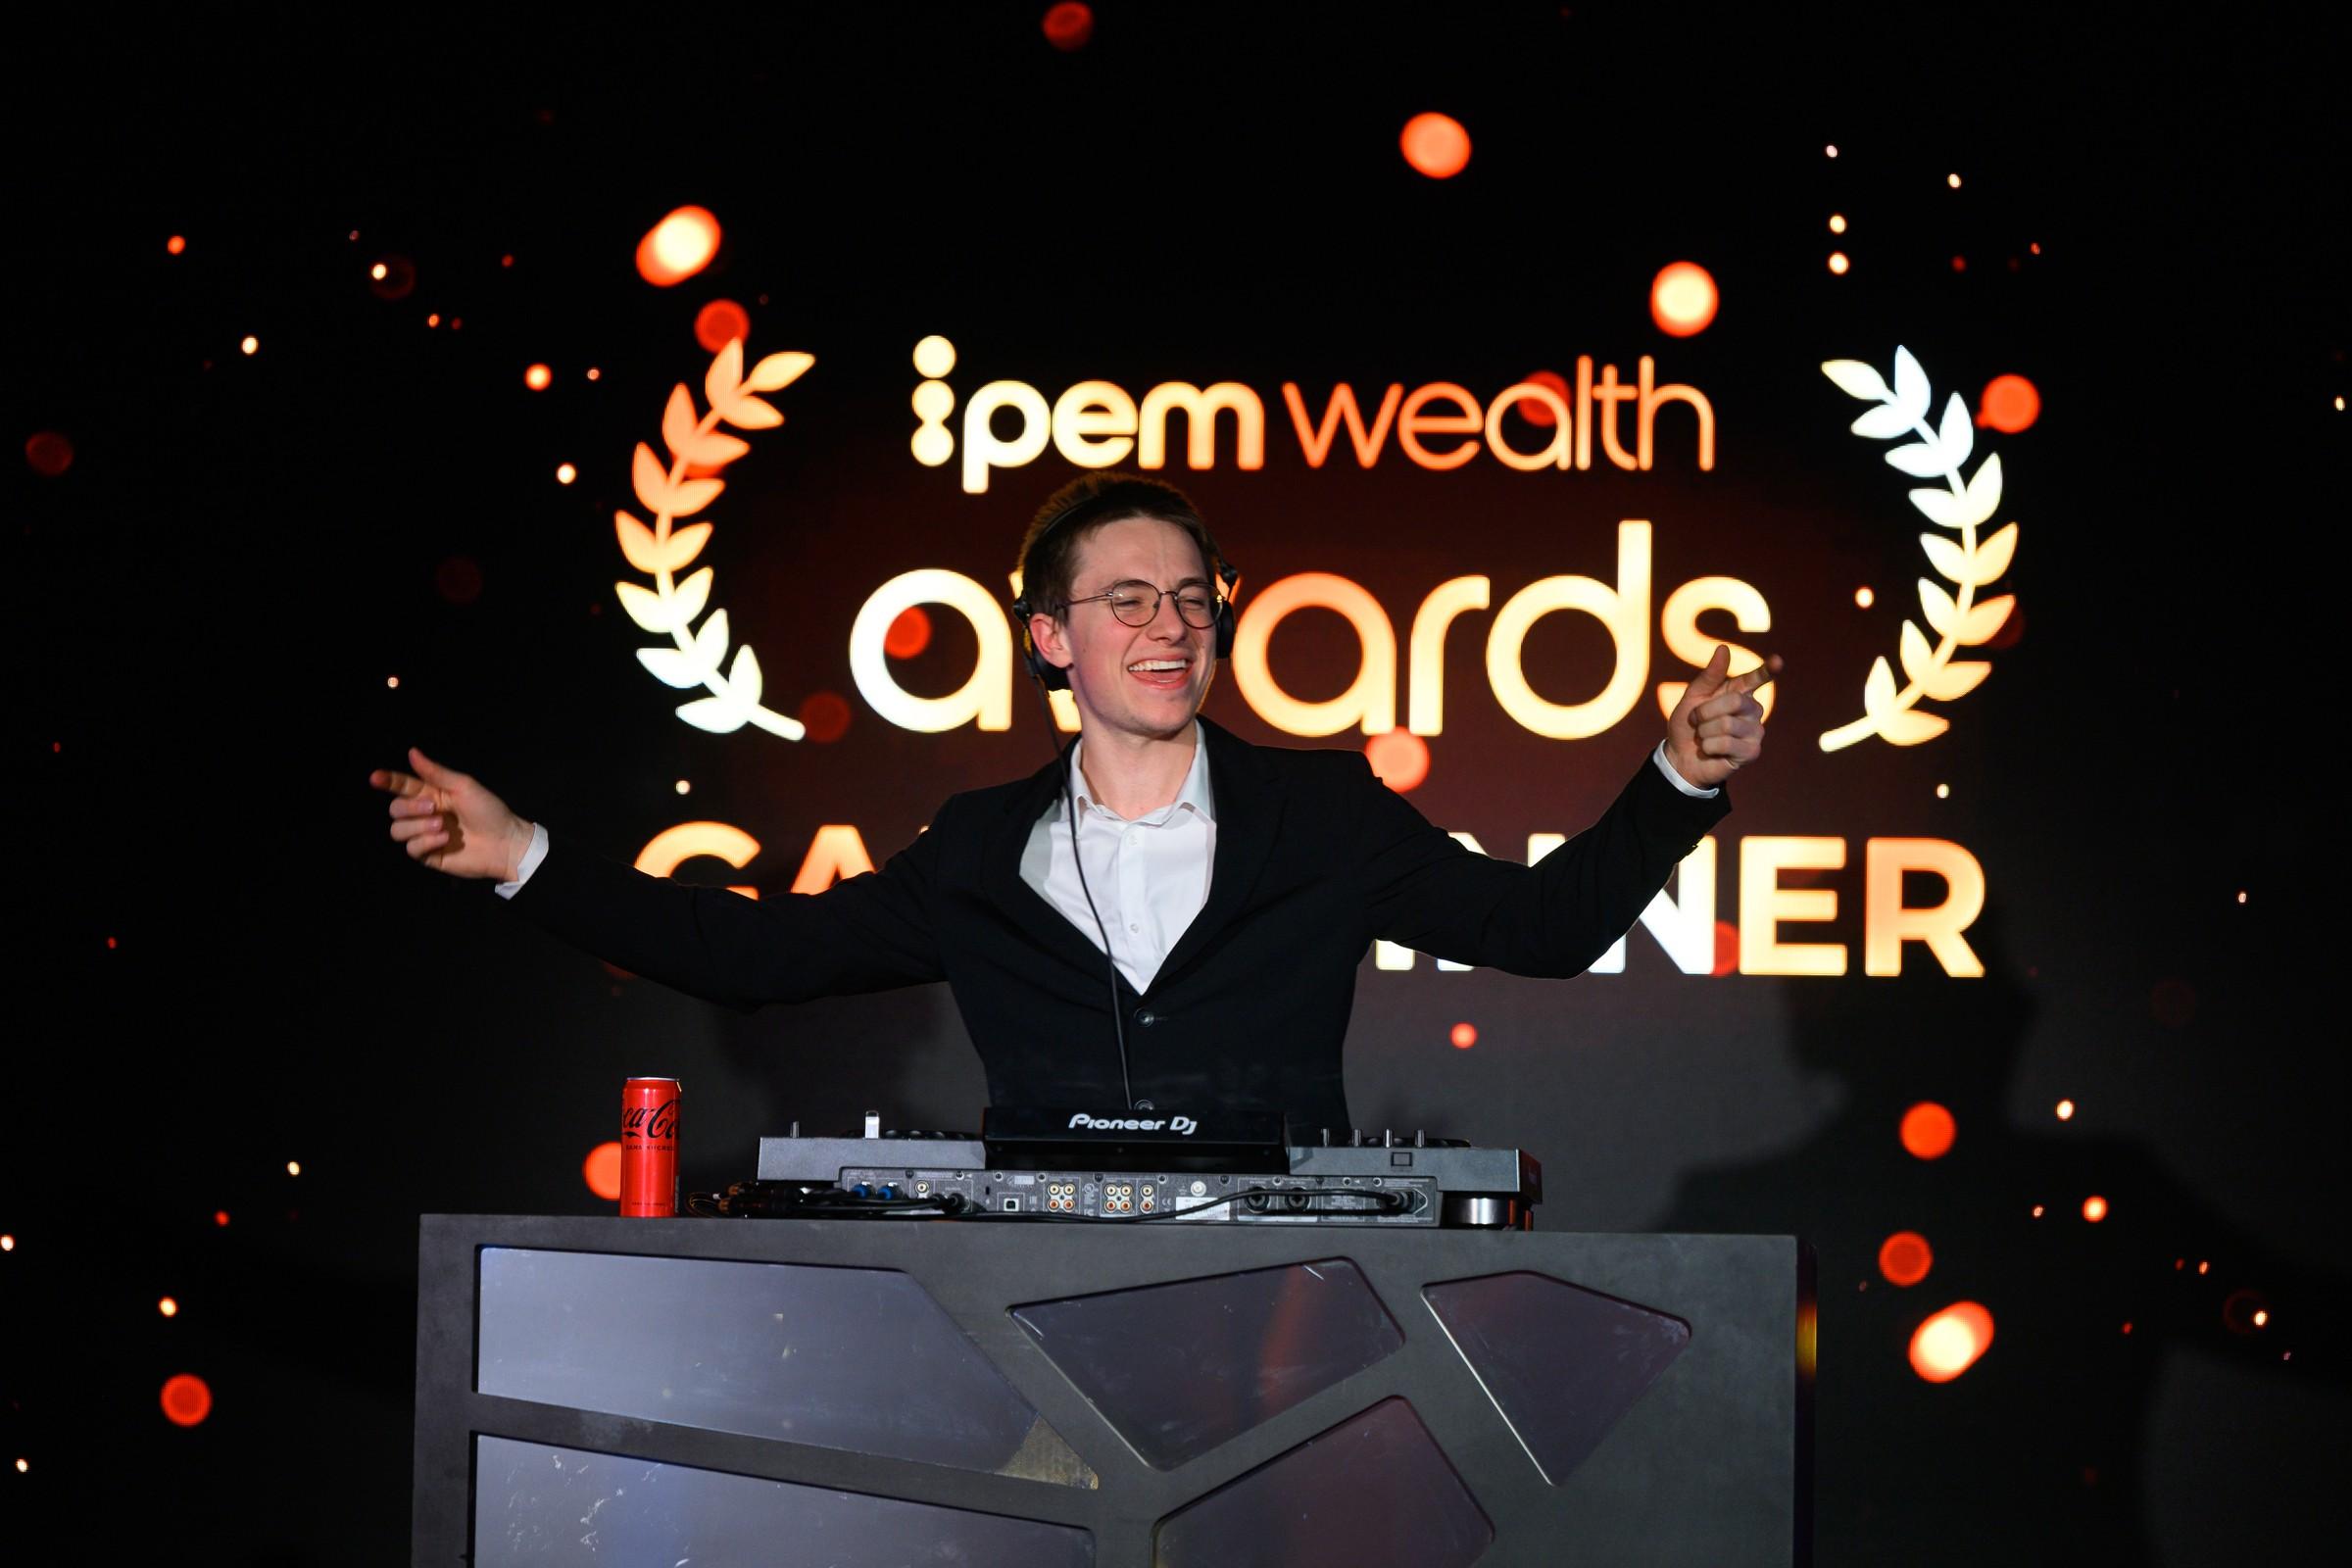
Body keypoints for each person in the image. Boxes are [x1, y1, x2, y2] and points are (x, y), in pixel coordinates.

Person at [371, 473, 1778, 1127]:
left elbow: (1543, 927)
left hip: (1306, 1315)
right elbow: (754, 956)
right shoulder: (982, 849)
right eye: (1127, 601)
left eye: (1192, 599)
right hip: (1039, 1324)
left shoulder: (1325, 814)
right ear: (1050, 637)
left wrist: (1676, 778)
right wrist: (526, 855)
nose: (1170, 627)